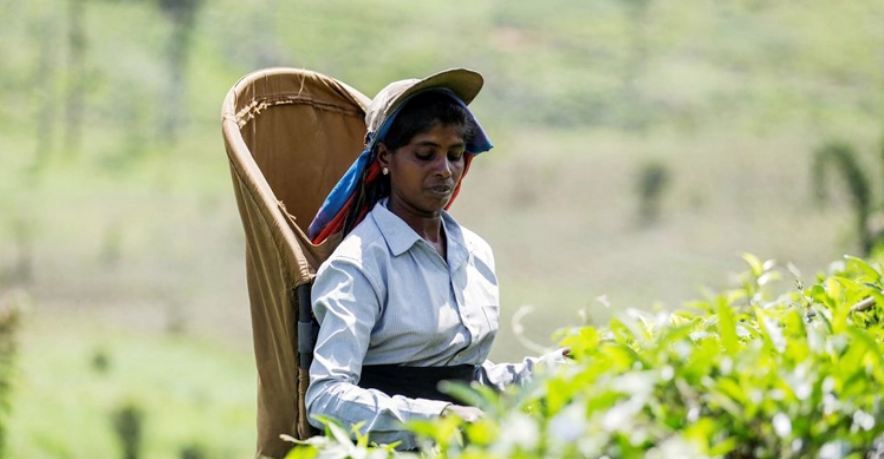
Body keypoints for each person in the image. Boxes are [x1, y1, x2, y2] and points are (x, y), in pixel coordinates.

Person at [304, 68, 566, 450]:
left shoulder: (474, 252)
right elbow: (326, 399)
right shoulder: (359, 265)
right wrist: (435, 418)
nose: (444, 170)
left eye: (455, 155)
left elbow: (468, 382)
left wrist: (553, 368)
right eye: (425, 154)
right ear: (385, 157)